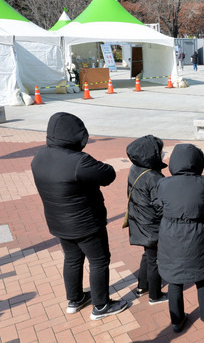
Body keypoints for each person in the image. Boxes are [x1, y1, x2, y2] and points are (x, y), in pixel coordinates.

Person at [31, 112, 128, 320]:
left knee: (73, 259)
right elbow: (108, 174)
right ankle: (101, 306)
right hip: (87, 224)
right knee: (99, 261)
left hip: (58, 223)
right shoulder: (78, 161)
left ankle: (75, 299)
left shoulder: (38, 157)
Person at [156, 144, 204, 332]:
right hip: (197, 234)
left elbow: (158, 205)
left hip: (171, 236)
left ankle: (177, 322)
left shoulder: (163, 183)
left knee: (174, 280)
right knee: (202, 277)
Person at [125, 135, 168, 304]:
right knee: (154, 260)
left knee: (148, 255)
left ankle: (142, 286)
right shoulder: (154, 177)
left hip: (139, 221)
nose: (162, 153)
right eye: (159, 151)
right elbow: (161, 205)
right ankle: (155, 295)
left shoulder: (135, 168)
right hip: (151, 225)